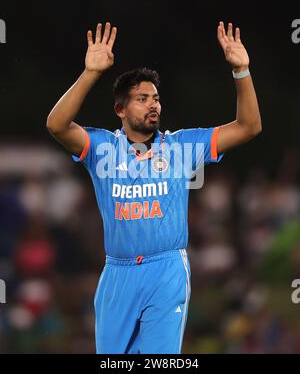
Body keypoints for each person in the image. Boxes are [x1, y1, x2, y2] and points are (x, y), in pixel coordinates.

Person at [46, 21, 262, 354]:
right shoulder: (101, 147)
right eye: (142, 98)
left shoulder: (182, 146)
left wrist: (242, 71)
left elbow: (249, 127)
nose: (153, 105)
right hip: (117, 274)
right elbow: (56, 125)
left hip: (167, 269)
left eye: (156, 98)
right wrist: (90, 73)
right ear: (120, 109)